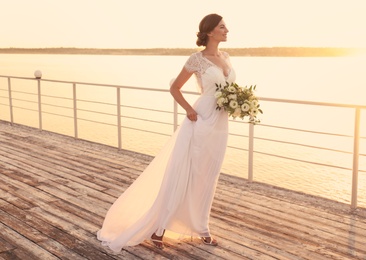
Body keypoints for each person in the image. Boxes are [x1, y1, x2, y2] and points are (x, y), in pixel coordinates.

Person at [97, 13, 235, 252]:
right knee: (184, 173)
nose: (227, 30)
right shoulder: (197, 59)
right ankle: (159, 227)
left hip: (221, 124)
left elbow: (229, 88)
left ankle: (202, 228)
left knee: (208, 176)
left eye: (226, 27)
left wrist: (238, 101)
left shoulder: (226, 57)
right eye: (222, 27)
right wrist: (190, 110)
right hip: (201, 119)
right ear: (210, 31)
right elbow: (175, 88)